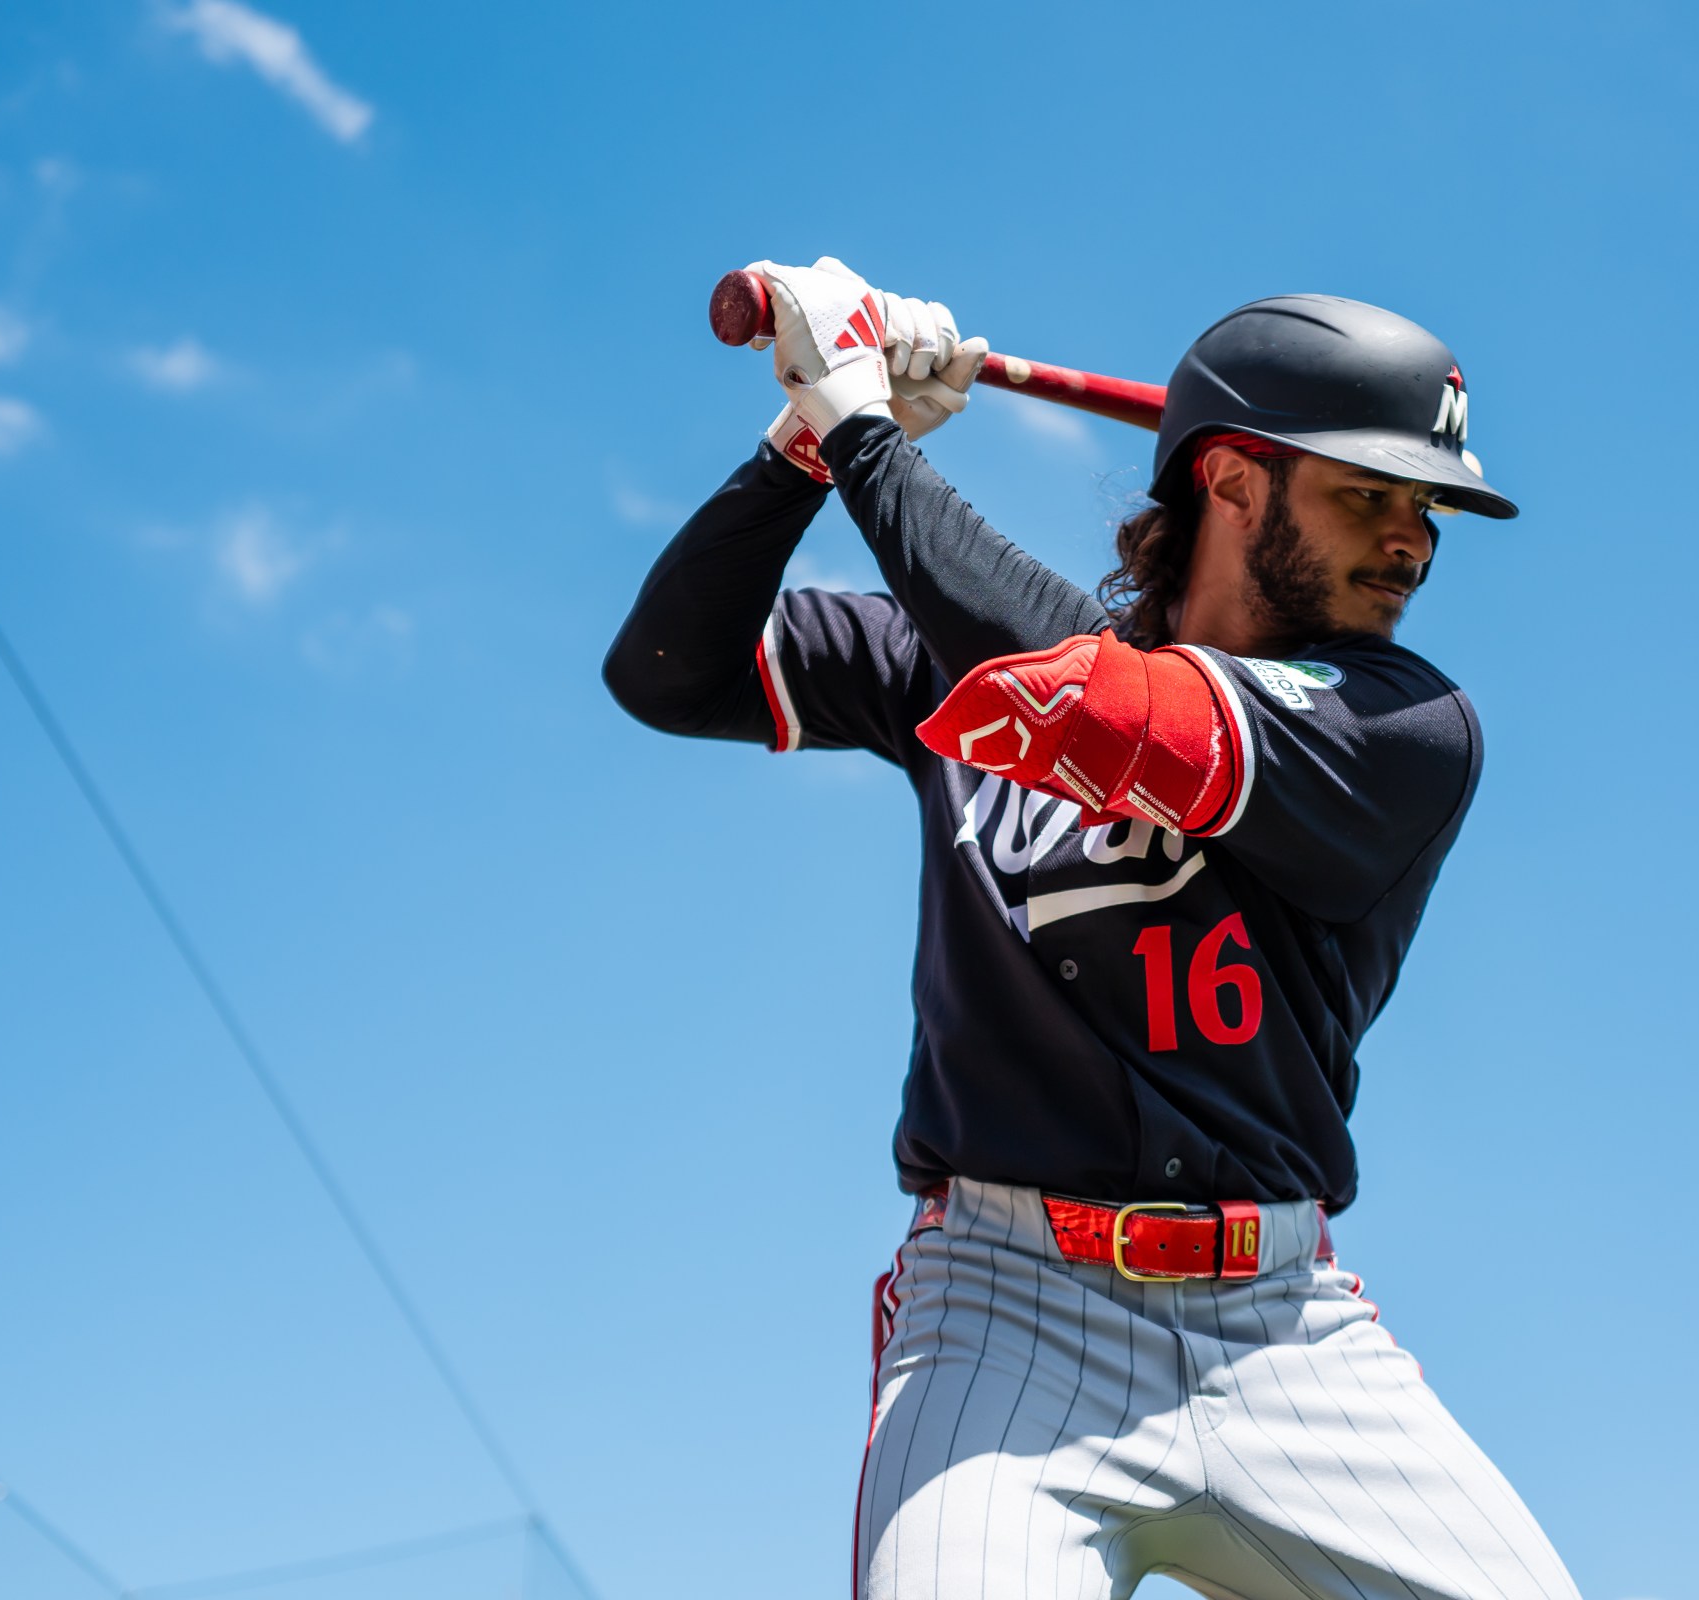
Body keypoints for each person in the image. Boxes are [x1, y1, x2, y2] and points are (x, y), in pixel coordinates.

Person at [603, 257, 1579, 1600]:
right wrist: (802, 448)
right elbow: (667, 670)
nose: (1412, 540)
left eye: (1428, 509)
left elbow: (1103, 705)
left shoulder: (1404, 723)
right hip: (1006, 1319)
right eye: (1369, 495)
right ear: (1233, 482)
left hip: (1283, 1328)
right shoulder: (965, 647)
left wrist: (865, 429)